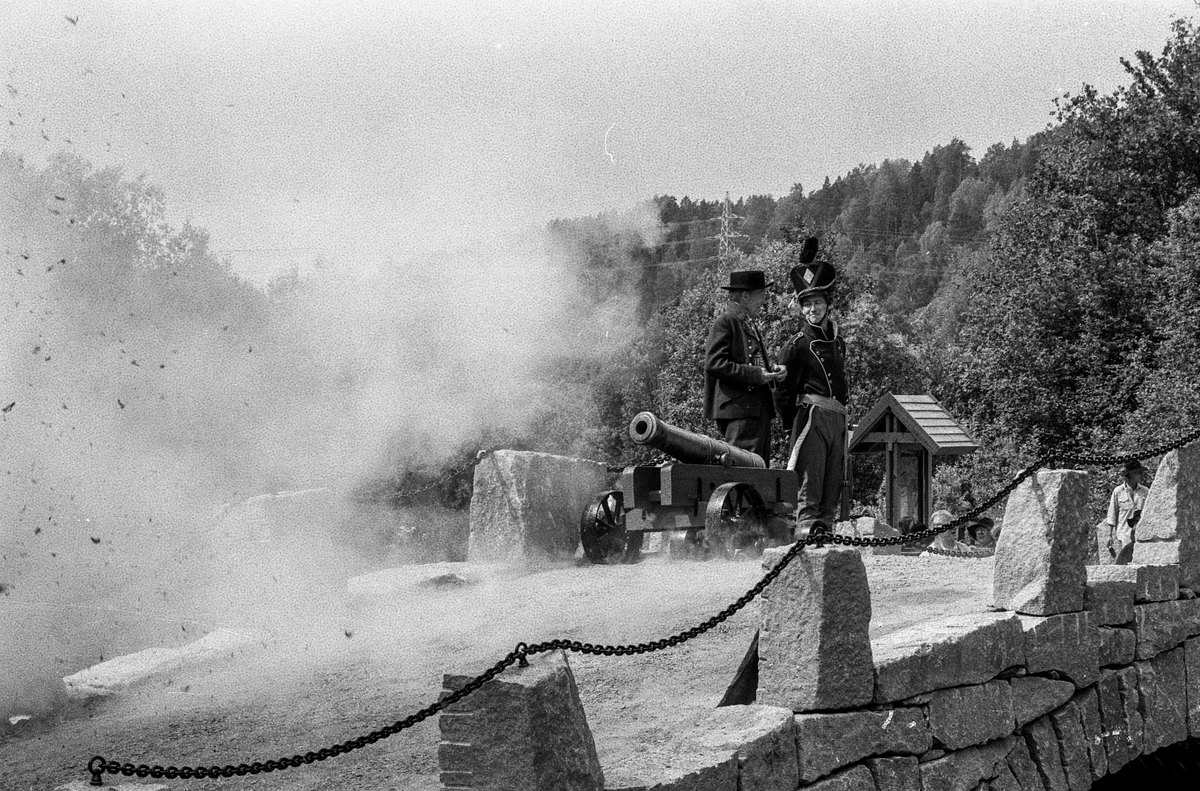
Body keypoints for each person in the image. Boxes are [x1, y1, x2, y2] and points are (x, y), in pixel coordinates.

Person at [773, 257, 847, 536]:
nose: (812, 309)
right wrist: (794, 426)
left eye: (817, 302)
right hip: (811, 419)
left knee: (832, 484)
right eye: (806, 304)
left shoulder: (839, 343)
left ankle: (826, 531)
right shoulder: (797, 346)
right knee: (810, 484)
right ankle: (806, 533)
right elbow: (783, 393)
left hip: (837, 419)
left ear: (828, 303)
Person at [704, 270, 787, 465]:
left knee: (757, 470)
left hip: (754, 411)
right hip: (740, 412)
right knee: (744, 470)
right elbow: (714, 363)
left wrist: (772, 371)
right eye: (761, 295)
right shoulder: (726, 322)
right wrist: (756, 375)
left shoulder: (745, 323)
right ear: (744, 295)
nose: (764, 301)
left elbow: (751, 361)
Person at [1104, 459, 1149, 563]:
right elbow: (1112, 514)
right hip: (1123, 535)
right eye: (1138, 472)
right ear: (1132, 474)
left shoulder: (1145, 491)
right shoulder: (1118, 491)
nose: (1141, 475)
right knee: (1123, 563)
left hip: (1140, 536)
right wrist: (1109, 536)